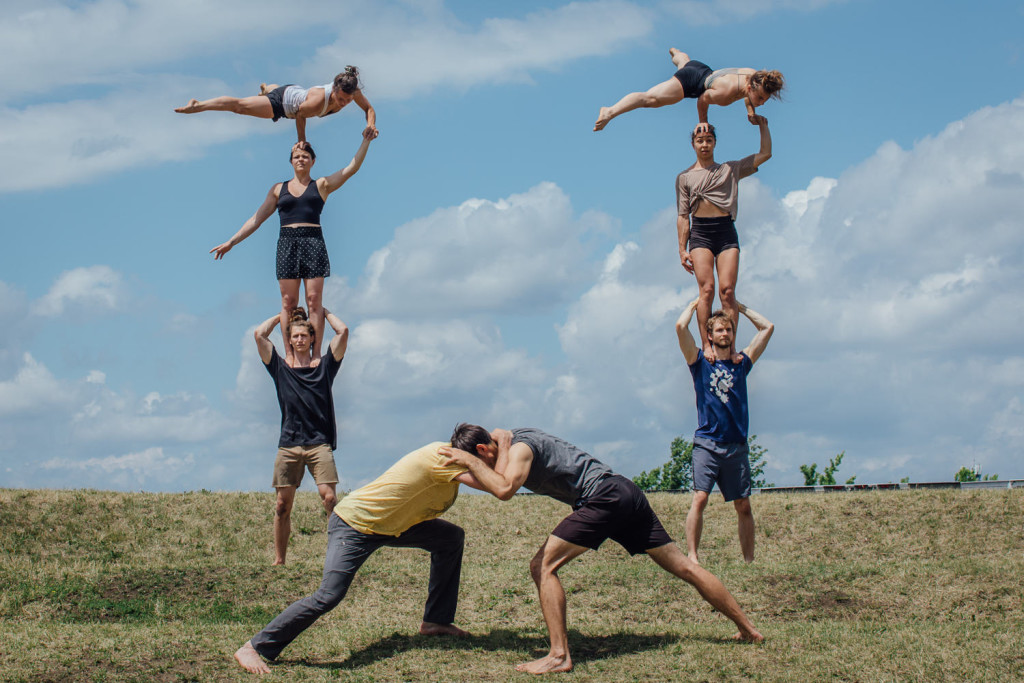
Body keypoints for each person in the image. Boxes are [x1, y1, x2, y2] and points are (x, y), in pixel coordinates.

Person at [440, 426, 763, 674]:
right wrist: (459, 471)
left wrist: (468, 461)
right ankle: (749, 631)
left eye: (477, 459)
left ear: (482, 449)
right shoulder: (505, 445)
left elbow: (505, 489)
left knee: (543, 566)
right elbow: (495, 473)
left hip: (603, 497)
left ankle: (558, 656)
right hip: (624, 491)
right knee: (683, 566)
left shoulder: (521, 448)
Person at [234, 437, 492, 674]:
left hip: (394, 525)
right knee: (328, 595)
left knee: (450, 538)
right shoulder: (447, 460)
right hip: (355, 525)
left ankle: (436, 621)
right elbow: (500, 488)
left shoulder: (451, 453)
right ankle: (254, 647)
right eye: (489, 457)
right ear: (475, 453)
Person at [212, 133, 372, 364]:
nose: (301, 159)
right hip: (287, 241)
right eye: (296, 156)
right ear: (291, 162)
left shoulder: (322, 185)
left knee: (314, 299)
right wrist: (232, 241)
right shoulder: (279, 189)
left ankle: (315, 354)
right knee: (288, 302)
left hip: (313, 240)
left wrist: (365, 141)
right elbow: (256, 219)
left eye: (305, 156)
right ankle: (290, 354)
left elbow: (351, 169)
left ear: (312, 161)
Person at [675, 298, 774, 565]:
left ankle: (749, 560)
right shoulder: (699, 362)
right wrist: (696, 303)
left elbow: (767, 328)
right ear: (710, 335)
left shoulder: (741, 363)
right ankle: (692, 557)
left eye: (728, 330)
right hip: (707, 442)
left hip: (736, 445)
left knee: (743, 505)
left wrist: (739, 308)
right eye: (719, 330)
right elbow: (680, 327)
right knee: (700, 498)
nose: (725, 334)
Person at [255, 306, 349, 565]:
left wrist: (322, 310)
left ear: (312, 339)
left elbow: (343, 331)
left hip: (319, 444)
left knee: (329, 499)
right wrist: (282, 314)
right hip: (289, 445)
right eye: (295, 336)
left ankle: (337, 558)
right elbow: (260, 335)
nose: (299, 340)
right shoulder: (280, 368)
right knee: (282, 506)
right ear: (289, 339)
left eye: (304, 336)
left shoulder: (324, 367)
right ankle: (279, 560)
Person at [677, 117, 771, 360]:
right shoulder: (685, 177)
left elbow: (765, 154)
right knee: (706, 289)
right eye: (700, 141)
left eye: (708, 140)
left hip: (725, 230)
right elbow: (683, 216)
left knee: (727, 291)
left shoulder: (729, 169)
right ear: (693, 145)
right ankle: (706, 345)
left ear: (715, 143)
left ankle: (730, 347)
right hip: (700, 233)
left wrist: (763, 125)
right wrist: (681, 249)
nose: (704, 144)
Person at [594, 48, 783, 131]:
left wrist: (751, 112)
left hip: (701, 68)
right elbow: (702, 100)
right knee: (650, 99)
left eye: (764, 99)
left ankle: (678, 55)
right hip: (691, 82)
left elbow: (749, 97)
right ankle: (610, 111)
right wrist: (704, 123)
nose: (762, 102)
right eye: (760, 98)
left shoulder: (754, 75)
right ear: (750, 87)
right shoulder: (726, 93)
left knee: (684, 63)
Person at [175, 66, 378, 143]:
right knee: (240, 107)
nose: (343, 103)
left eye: (348, 101)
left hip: (294, 91)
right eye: (341, 99)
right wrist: (302, 141)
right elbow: (299, 114)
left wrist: (371, 125)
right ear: (333, 89)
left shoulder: (353, 90)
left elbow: (369, 109)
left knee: (273, 91)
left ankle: (268, 89)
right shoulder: (317, 102)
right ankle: (199, 105)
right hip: (283, 103)